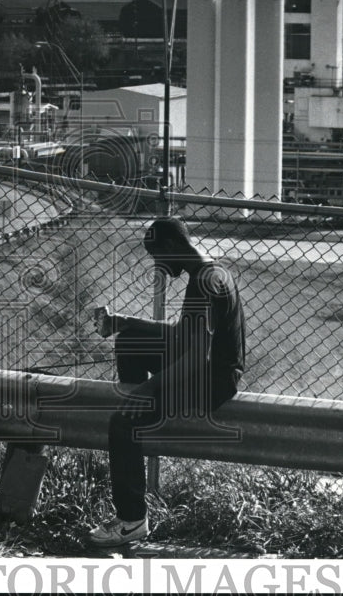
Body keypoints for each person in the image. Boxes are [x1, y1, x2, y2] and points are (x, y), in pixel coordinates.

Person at [88, 217, 246, 547]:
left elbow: (194, 358)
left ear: (173, 246)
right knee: (129, 341)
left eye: (159, 257)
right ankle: (143, 421)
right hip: (208, 371)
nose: (159, 266)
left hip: (209, 382)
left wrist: (149, 388)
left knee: (121, 422)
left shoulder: (203, 284)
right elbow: (182, 334)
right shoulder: (210, 273)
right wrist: (124, 321)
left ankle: (132, 521)